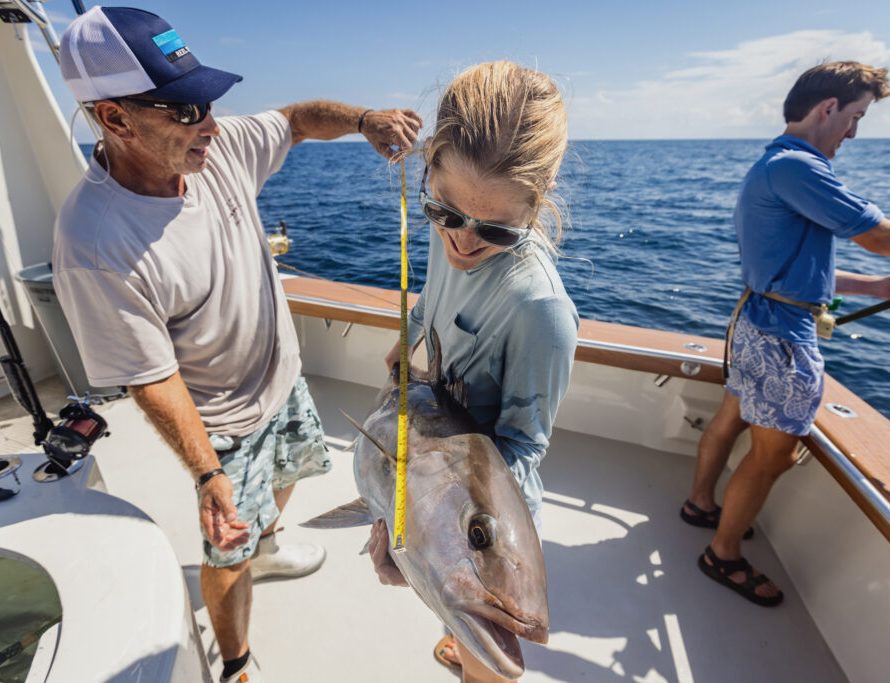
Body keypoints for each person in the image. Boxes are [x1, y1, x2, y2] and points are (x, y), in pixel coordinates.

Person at [51, 7, 421, 682]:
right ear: (113, 118)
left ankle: (270, 543)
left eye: (209, 103)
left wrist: (365, 120)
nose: (212, 126)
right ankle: (235, 662)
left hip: (284, 382)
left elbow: (297, 119)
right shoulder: (95, 241)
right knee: (227, 550)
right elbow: (149, 375)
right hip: (223, 427)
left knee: (291, 474)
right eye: (187, 110)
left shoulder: (214, 149)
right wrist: (208, 473)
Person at [681, 61, 890, 608]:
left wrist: (885, 287)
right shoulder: (800, 168)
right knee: (770, 457)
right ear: (828, 109)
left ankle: (701, 505)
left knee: (730, 419)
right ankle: (721, 555)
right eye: (856, 116)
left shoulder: (771, 165)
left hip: (754, 320)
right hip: (782, 340)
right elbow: (882, 235)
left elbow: (797, 271)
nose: (855, 131)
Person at [366, 61, 579, 683]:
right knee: (455, 629)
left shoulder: (539, 310)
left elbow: (522, 446)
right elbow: (432, 299)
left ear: (535, 206)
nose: (461, 241)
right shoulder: (456, 221)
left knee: (492, 667)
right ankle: (455, 644)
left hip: (483, 528)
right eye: (445, 212)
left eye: (495, 230)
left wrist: (425, 531)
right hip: (440, 481)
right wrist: (407, 340)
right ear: (430, 170)